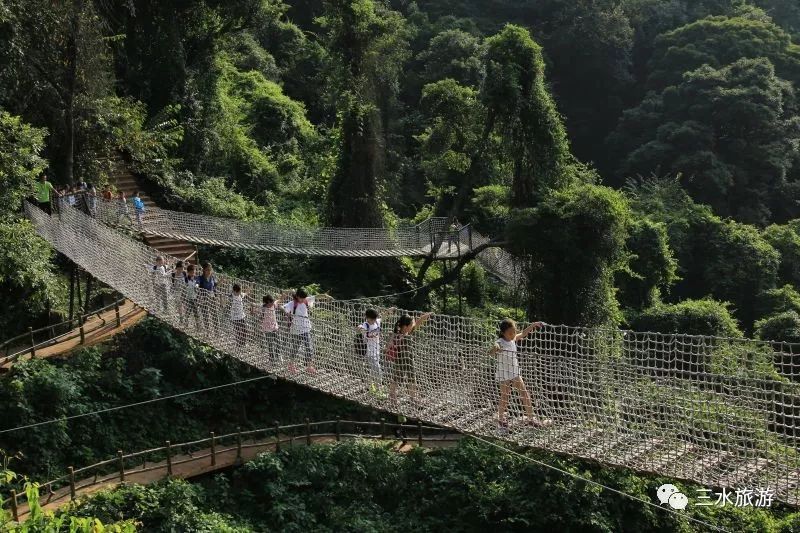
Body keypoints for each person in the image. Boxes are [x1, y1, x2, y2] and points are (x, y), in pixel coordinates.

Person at [490, 319, 551, 433]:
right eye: (510, 333)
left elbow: (523, 333)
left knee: (525, 393)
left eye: (513, 332)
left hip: (514, 372)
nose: (513, 334)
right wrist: (495, 348)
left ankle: (531, 418)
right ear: (503, 333)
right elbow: (493, 350)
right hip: (504, 374)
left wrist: (533, 325)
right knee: (505, 397)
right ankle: (501, 419)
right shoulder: (500, 342)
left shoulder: (512, 339)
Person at [387, 311, 433, 407]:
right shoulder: (396, 334)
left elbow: (418, 322)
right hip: (399, 361)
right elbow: (389, 345)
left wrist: (426, 316)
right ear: (405, 326)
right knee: (397, 378)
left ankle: (412, 398)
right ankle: (392, 395)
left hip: (409, 360)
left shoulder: (409, 332)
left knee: (412, 378)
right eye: (412, 323)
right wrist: (391, 344)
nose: (413, 325)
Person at [282, 288, 330, 375]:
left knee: (309, 347)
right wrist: (287, 313)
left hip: (306, 328)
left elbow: (316, 296)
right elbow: (283, 307)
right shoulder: (292, 303)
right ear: (297, 296)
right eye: (301, 298)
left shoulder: (306, 300)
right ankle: (291, 364)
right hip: (296, 330)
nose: (303, 300)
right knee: (295, 348)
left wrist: (325, 296)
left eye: (304, 298)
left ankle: (309, 366)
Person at [357, 308, 383, 396]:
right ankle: (379, 390)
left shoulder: (376, 322)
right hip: (370, 353)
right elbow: (360, 327)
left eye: (375, 318)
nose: (374, 320)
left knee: (373, 370)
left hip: (377, 351)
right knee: (378, 372)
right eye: (372, 319)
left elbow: (383, 317)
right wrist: (360, 328)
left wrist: (389, 311)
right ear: (367, 318)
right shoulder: (366, 325)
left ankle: (369, 386)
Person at [254, 294, 280, 364]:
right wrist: (252, 310)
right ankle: (272, 359)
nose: (272, 304)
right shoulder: (263, 308)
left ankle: (277, 357)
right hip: (267, 329)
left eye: (272, 302)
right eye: (270, 303)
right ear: (267, 303)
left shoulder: (274, 305)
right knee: (270, 344)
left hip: (275, 327)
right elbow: (255, 312)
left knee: (278, 343)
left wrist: (288, 292)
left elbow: (280, 299)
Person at [196, 262, 218, 335]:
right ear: (204, 270)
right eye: (207, 270)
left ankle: (216, 331)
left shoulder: (212, 277)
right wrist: (196, 286)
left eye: (210, 270)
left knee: (214, 314)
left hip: (212, 297)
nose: (209, 271)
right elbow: (197, 283)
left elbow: (214, 286)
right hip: (203, 298)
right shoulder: (200, 278)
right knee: (205, 315)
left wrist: (216, 295)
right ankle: (208, 331)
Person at [181, 263, 201, 329]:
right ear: (188, 272)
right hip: (188, 298)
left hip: (195, 298)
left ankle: (198, 325)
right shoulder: (186, 279)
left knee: (196, 312)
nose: (193, 273)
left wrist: (197, 285)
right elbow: (183, 287)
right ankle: (186, 324)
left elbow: (198, 283)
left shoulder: (196, 278)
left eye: (194, 272)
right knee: (188, 311)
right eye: (191, 272)